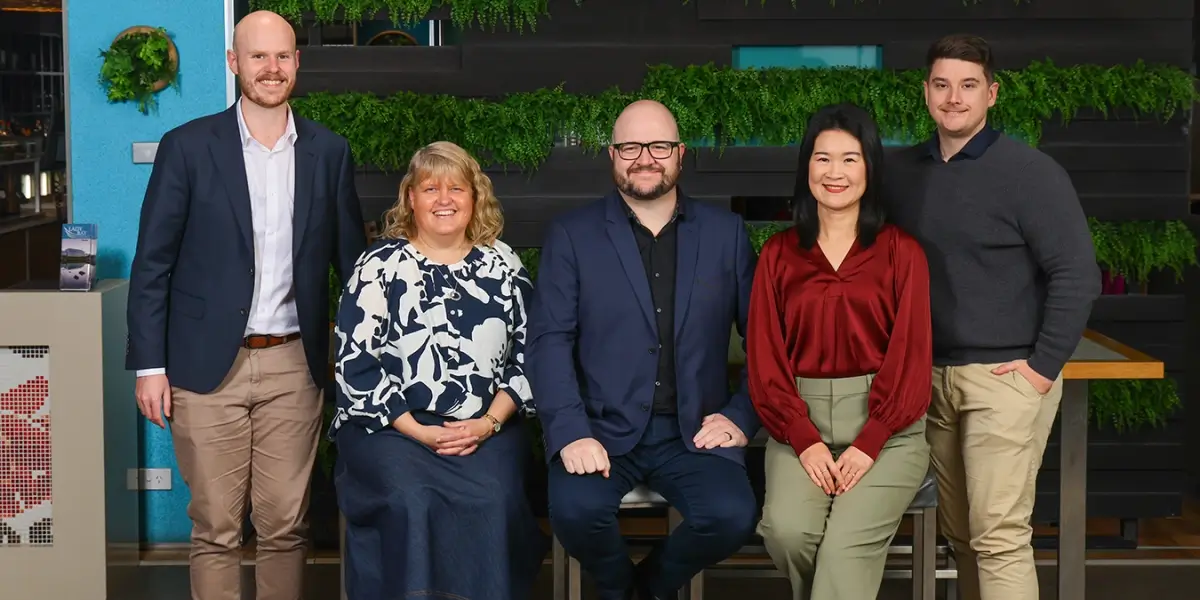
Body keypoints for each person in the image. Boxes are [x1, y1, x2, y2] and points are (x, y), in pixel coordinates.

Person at [125, 10, 368, 600]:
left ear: (297, 63)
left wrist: (361, 358)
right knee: (216, 528)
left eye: (282, 56)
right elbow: (152, 264)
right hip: (205, 366)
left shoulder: (329, 152)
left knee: (286, 526)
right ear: (235, 63)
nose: (271, 68)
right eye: (258, 56)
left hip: (295, 365)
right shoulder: (187, 147)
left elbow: (355, 269)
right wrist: (150, 366)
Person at [885, 34, 1100, 600]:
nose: (953, 97)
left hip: (1006, 378)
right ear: (926, 92)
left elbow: (1077, 275)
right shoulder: (901, 173)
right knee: (961, 534)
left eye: (968, 85)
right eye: (942, 84)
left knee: (998, 536)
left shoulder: (1031, 173)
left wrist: (1040, 371)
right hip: (929, 378)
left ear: (992, 94)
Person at [527, 99, 760, 600]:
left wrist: (741, 415)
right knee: (575, 513)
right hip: (599, 430)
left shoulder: (726, 234)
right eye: (631, 147)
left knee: (731, 516)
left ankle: (646, 590)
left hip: (695, 433)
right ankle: (621, 590)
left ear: (680, 153)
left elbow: (764, 341)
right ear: (613, 155)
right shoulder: (572, 235)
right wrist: (570, 432)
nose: (645, 158)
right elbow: (548, 342)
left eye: (658, 146)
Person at [329, 141, 548, 600]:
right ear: (411, 197)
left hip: (486, 426)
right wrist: (419, 432)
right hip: (390, 429)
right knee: (411, 498)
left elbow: (531, 354)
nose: (444, 199)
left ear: (475, 197)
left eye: (456, 188)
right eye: (430, 188)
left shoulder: (503, 263)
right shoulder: (377, 266)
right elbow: (356, 363)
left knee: (493, 498)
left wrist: (489, 423)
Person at [746, 103, 933, 600]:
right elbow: (765, 359)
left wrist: (871, 439)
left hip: (888, 431)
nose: (835, 172)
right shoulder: (778, 254)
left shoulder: (902, 252)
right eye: (822, 158)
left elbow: (911, 357)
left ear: (870, 169)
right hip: (797, 423)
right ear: (806, 166)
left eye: (850, 159)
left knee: (843, 551)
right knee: (787, 532)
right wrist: (802, 437)